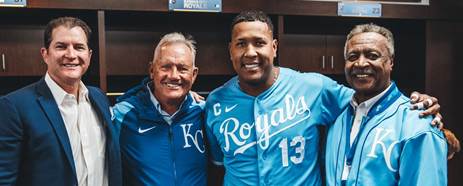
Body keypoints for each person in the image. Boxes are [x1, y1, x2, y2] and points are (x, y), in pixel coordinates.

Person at [204, 10, 442, 185]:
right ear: (230, 50)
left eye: (259, 43)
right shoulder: (215, 102)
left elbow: (373, 101)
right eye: (241, 44)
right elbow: (217, 165)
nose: (250, 52)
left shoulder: (314, 88)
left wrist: (430, 118)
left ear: (274, 47)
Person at [0, 17, 121, 185]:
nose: (71, 55)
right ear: (45, 54)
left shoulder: (99, 97)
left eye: (79, 47)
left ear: (89, 55)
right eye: (61, 46)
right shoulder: (14, 106)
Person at [324, 23, 447, 186]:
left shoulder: (418, 123)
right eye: (352, 56)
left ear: (391, 62)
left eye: (372, 56)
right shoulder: (336, 115)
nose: (360, 63)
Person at [112, 32, 206, 185]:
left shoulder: (204, 112)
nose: (174, 76)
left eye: (182, 68)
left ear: (193, 74)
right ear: (152, 70)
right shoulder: (123, 115)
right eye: (166, 67)